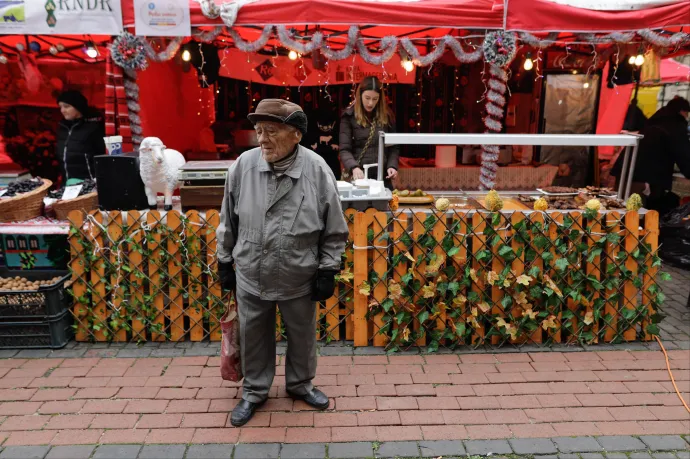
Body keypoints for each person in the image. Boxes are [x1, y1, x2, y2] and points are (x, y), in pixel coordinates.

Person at [217, 99, 349, 427]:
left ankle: (300, 384)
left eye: (271, 132)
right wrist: (223, 260)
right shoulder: (243, 167)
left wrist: (328, 268)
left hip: (299, 271)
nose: (261, 139)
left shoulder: (317, 169)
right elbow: (227, 219)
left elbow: (334, 226)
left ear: (295, 135)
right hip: (251, 270)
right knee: (252, 334)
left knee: (302, 335)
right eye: (259, 131)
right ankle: (254, 390)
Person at [613, 96, 690, 216]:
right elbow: (684, 155)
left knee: (620, 215)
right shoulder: (675, 125)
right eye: (687, 113)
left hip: (625, 174)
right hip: (642, 181)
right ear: (682, 111)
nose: (687, 117)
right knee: (635, 218)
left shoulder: (654, 122)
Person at [339, 76, 400, 188]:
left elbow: (394, 147)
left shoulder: (387, 116)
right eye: (367, 98)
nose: (370, 103)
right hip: (359, 178)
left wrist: (392, 166)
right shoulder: (349, 116)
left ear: (380, 99)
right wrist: (354, 167)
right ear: (359, 95)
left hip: (382, 178)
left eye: (375, 99)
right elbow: (344, 149)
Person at [55, 90, 105, 184]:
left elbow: (102, 157)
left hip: (88, 184)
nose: (62, 110)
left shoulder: (93, 127)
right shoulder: (62, 128)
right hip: (67, 184)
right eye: (60, 107)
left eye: (66, 106)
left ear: (78, 107)